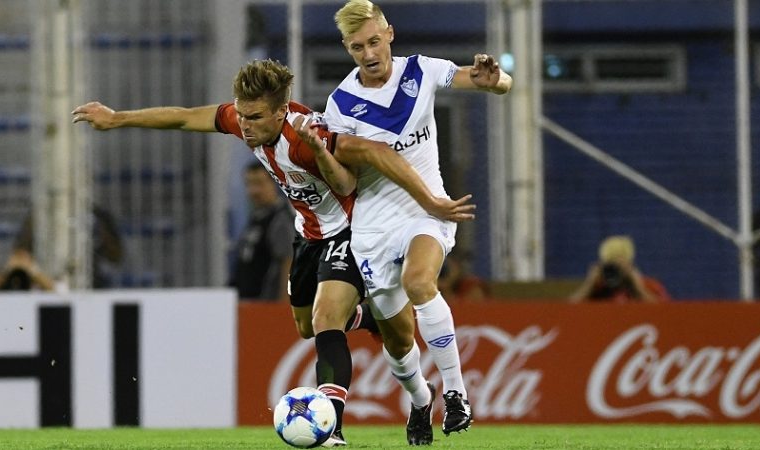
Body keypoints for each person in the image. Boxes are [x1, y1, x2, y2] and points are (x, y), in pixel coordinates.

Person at [72, 59, 474, 447]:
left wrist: (429, 199)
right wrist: (117, 117)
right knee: (311, 327)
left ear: (282, 111)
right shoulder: (244, 120)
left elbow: (361, 170)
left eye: (256, 118)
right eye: (242, 117)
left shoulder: (308, 133)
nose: (245, 127)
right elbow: (184, 116)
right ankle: (400, 365)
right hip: (308, 235)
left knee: (327, 318)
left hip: (351, 232)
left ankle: (331, 424)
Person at [318, 1, 512, 444]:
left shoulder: (422, 70)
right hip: (373, 227)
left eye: (372, 41)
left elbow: (494, 82)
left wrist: (495, 82)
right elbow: (347, 184)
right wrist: (325, 154)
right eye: (356, 47)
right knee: (399, 342)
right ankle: (422, 399)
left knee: (421, 282)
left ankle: (458, 396)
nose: (368, 53)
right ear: (348, 50)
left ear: (389, 34)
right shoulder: (341, 104)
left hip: (428, 210)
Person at [0, 205, 124, 290]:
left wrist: (98, 233)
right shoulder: (39, 216)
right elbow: (19, 255)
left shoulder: (97, 215)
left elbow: (116, 255)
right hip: (45, 285)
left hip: (90, 286)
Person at [229, 161, 294, 302]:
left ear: (274, 183)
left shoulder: (281, 219)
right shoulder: (257, 217)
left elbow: (288, 262)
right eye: (249, 184)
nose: (254, 191)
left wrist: (284, 306)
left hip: (266, 306)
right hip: (248, 304)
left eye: (259, 183)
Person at [569, 235, 670, 303]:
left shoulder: (649, 285)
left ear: (630, 264)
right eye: (612, 264)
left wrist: (639, 290)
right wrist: (589, 285)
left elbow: (667, 313)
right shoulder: (597, 289)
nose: (617, 270)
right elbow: (566, 312)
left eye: (620, 265)